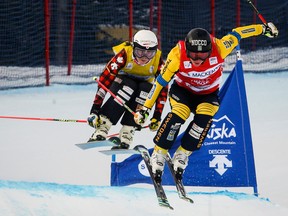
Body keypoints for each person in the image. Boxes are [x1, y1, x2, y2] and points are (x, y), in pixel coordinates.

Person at [134, 23, 278, 180]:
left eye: (202, 56)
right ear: (187, 50)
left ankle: (183, 153)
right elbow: (160, 83)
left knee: (204, 118)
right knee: (179, 115)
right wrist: (145, 108)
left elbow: (239, 33)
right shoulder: (177, 55)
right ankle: (159, 153)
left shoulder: (221, 47)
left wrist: (264, 29)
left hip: (207, 94)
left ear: (209, 51)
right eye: (193, 55)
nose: (197, 60)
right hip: (183, 91)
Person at [87, 29, 168, 149]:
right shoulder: (125, 54)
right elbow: (105, 80)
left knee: (147, 88)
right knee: (129, 86)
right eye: (140, 52)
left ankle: (128, 130)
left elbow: (162, 88)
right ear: (134, 47)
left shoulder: (158, 60)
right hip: (121, 84)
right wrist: (95, 110)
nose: (144, 57)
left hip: (142, 88)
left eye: (149, 53)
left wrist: (157, 115)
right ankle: (103, 126)